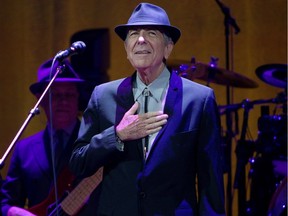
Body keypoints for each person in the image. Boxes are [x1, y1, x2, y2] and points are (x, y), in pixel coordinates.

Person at [69, 2, 226, 216]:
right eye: (133, 34)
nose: (140, 40)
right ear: (126, 48)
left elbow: (211, 181)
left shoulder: (199, 99)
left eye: (151, 33)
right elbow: (78, 163)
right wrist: (116, 135)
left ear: (168, 47)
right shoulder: (102, 96)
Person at [1, 59, 85, 216]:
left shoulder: (93, 143)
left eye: (69, 94)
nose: (64, 101)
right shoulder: (24, 149)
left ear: (77, 98)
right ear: (41, 99)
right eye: (56, 95)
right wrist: (16, 212)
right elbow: (6, 203)